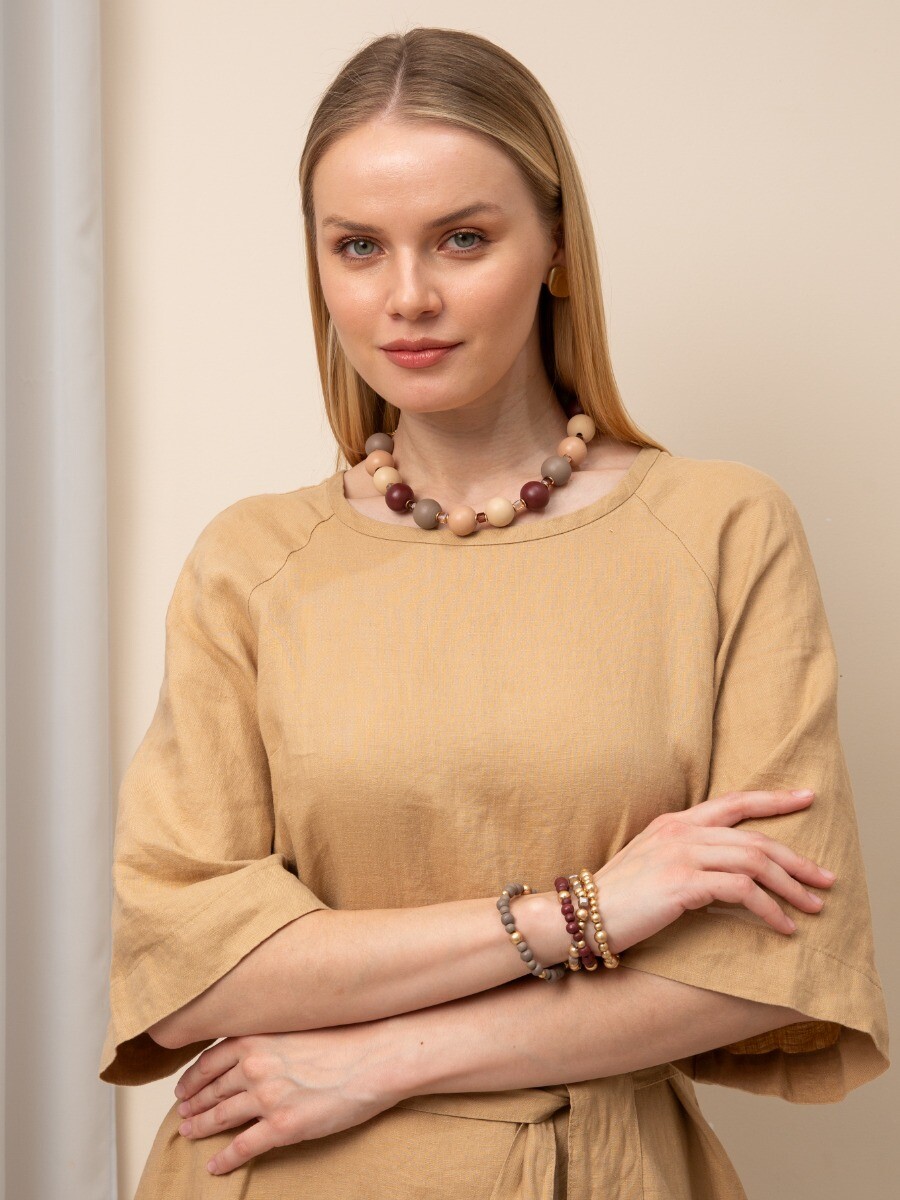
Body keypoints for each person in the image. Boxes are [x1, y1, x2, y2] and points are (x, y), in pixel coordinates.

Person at [97, 26, 889, 1200]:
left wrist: (379, 1060)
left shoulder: (724, 531)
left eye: (463, 238)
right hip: (273, 1170)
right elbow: (192, 972)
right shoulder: (250, 564)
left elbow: (769, 968)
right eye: (358, 246)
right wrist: (593, 910)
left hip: (590, 1169)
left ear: (557, 246)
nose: (408, 296)